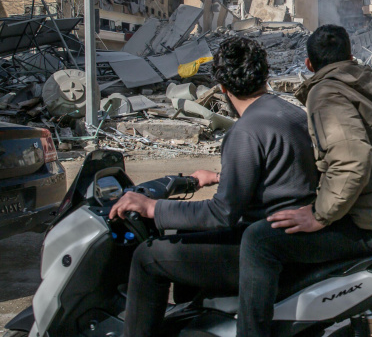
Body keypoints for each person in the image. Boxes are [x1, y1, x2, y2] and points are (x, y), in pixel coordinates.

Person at [109, 37, 318, 337]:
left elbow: (223, 213)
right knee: (185, 233)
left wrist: (153, 207)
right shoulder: (294, 114)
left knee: (147, 257)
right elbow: (280, 171)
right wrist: (220, 177)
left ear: (222, 88)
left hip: (262, 246)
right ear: (265, 76)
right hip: (291, 238)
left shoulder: (245, 131)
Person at [237, 25, 372, 336]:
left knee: (258, 240)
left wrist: (321, 215)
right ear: (349, 56)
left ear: (308, 64)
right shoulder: (366, 82)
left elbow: (351, 159)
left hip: (370, 222)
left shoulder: (327, 92)